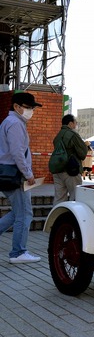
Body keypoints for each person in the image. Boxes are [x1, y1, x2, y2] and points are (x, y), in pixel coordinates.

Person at [0, 92, 42, 263]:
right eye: (28, 107)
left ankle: (18, 251)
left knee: (17, 212)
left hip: (9, 173)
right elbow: (17, 153)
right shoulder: (15, 124)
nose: (31, 111)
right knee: (25, 214)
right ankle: (18, 253)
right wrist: (29, 174)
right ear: (17, 107)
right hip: (15, 175)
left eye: (32, 108)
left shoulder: (10, 122)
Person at [51, 114, 88, 205]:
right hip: (71, 170)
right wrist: (85, 145)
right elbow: (82, 153)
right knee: (75, 197)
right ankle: (72, 218)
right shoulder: (73, 134)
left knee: (59, 198)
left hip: (58, 169)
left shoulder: (58, 136)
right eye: (75, 122)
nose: (76, 125)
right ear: (70, 123)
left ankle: (57, 217)